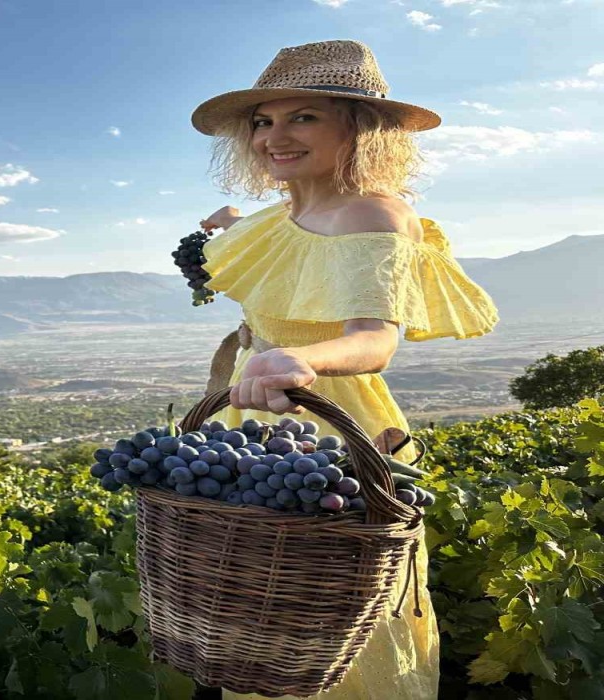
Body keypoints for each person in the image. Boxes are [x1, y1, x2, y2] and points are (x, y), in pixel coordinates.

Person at [188, 40, 500, 700]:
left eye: (303, 117)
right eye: (264, 121)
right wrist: (232, 225)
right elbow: (300, 263)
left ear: (355, 128)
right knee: (263, 601)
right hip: (256, 416)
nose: (276, 136)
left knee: (330, 608)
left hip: (323, 426)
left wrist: (299, 358)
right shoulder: (288, 214)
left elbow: (375, 340)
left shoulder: (372, 213)